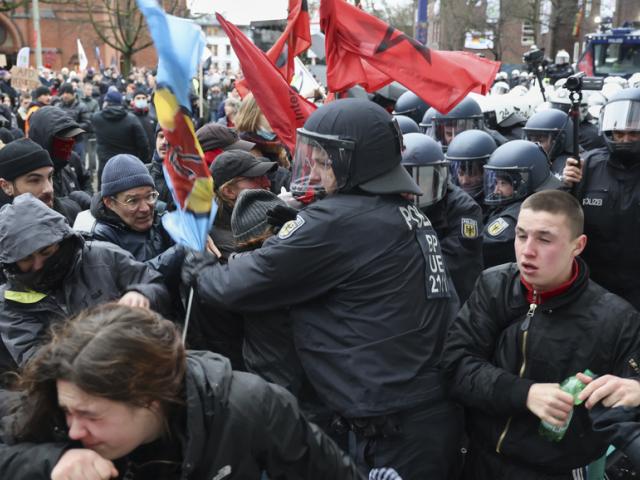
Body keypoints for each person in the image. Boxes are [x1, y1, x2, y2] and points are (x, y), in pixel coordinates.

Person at [182, 99, 462, 479]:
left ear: (355, 162)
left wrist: (197, 262)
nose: (312, 168)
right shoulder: (402, 211)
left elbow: (236, 285)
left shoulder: (341, 220)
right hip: (421, 412)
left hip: (393, 426)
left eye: (324, 160)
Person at [0, 303, 363, 480]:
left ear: (150, 397)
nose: (75, 430)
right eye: (68, 412)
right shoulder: (60, 404)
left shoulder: (251, 407)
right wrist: (52, 462)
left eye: (90, 416)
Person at [441, 189, 640, 479]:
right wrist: (526, 393)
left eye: (544, 239)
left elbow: (629, 396)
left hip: (558, 470)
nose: (527, 250)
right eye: (521, 235)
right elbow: (455, 366)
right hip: (479, 459)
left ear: (578, 245)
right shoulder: (494, 285)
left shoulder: (616, 319)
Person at [0, 193, 169, 373]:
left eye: (46, 252)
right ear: (12, 261)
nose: (39, 264)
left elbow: (155, 285)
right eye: (26, 259)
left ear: (61, 241)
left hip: (141, 366)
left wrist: (141, 294)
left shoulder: (105, 256)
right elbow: (34, 360)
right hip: (77, 388)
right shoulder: (9, 300)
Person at [562, 87, 640, 311]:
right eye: (619, 133)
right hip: (592, 287)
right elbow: (562, 217)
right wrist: (566, 186)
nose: (625, 139)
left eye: (634, 133)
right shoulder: (588, 165)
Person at [401, 132, 483, 303]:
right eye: (405, 180)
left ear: (439, 177)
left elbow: (453, 264)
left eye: (421, 180)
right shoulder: (392, 204)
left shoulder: (464, 210)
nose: (412, 191)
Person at [482, 140, 561, 268]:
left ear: (521, 184)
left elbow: (485, 246)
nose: (496, 190)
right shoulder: (537, 201)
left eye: (503, 183)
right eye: (496, 183)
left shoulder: (513, 217)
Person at [209, 150, 277, 261]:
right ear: (229, 191)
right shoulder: (227, 245)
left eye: (264, 176)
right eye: (255, 178)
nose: (267, 183)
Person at [0, 138, 83, 224]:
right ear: (6, 186)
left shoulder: (73, 215)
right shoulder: (4, 233)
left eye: (50, 177)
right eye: (35, 180)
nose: (49, 189)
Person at [28, 106, 93, 200]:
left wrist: (86, 197)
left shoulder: (72, 158)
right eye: (64, 136)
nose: (70, 141)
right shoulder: (30, 170)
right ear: (47, 138)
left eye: (72, 136)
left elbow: (85, 179)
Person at [91, 89, 151, 185]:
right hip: (129, 165)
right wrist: (143, 161)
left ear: (106, 102)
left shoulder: (96, 118)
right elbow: (143, 144)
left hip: (106, 166)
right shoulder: (131, 119)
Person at [446, 129, 497, 208]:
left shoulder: (497, 203)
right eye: (461, 173)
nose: (465, 181)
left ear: (487, 173)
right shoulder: (450, 202)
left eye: (472, 174)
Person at [523, 108, 574, 176]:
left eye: (540, 141)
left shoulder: (569, 167)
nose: (533, 146)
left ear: (559, 142)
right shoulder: (533, 162)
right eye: (530, 140)